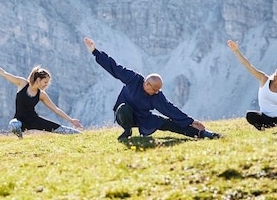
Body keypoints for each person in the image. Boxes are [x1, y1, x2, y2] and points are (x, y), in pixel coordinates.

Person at [83, 37, 221, 141]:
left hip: (143, 118)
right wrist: (95, 51)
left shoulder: (156, 96)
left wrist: (191, 121)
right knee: (124, 108)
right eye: (154, 90)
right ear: (147, 84)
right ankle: (127, 132)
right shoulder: (133, 79)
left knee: (170, 124)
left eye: (157, 91)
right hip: (124, 115)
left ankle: (203, 134)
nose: (156, 93)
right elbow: (114, 68)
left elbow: (170, 110)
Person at [0, 51, 83, 138]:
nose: (47, 85)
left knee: (62, 130)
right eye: (45, 82)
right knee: (13, 125)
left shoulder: (41, 95)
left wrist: (71, 120)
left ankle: (81, 135)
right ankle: (20, 140)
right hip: (20, 121)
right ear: (38, 80)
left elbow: (55, 109)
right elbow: (4, 74)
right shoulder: (22, 83)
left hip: (34, 120)